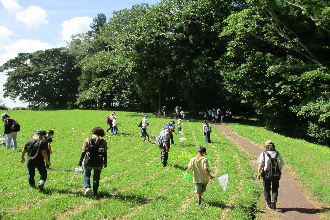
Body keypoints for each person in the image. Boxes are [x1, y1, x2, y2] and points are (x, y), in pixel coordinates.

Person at [78, 127, 107, 196]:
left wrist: (80, 161)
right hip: (99, 162)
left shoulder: (88, 140)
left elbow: (83, 151)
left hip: (89, 161)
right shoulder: (103, 142)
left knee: (86, 174)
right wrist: (105, 163)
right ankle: (94, 193)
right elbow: (105, 153)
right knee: (96, 177)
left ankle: (87, 187)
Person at [257, 140, 284, 210]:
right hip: (276, 174)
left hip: (266, 174)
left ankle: (268, 204)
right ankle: (274, 200)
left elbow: (260, 165)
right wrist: (278, 171)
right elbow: (281, 164)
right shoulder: (278, 154)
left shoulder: (263, 154)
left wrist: (258, 174)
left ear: (266, 146)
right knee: (275, 188)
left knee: (266, 189)